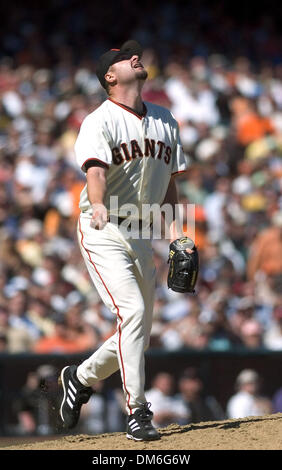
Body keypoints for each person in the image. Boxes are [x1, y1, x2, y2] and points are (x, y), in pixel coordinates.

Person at [58, 39, 189, 442]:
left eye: (135, 54)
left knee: (138, 333)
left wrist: (180, 237)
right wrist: (97, 206)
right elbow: (95, 174)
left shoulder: (166, 119)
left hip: (141, 232)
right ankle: (138, 412)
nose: (135, 56)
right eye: (123, 57)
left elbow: (169, 187)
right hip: (103, 227)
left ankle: (79, 378)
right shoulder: (99, 120)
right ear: (110, 76)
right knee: (131, 313)